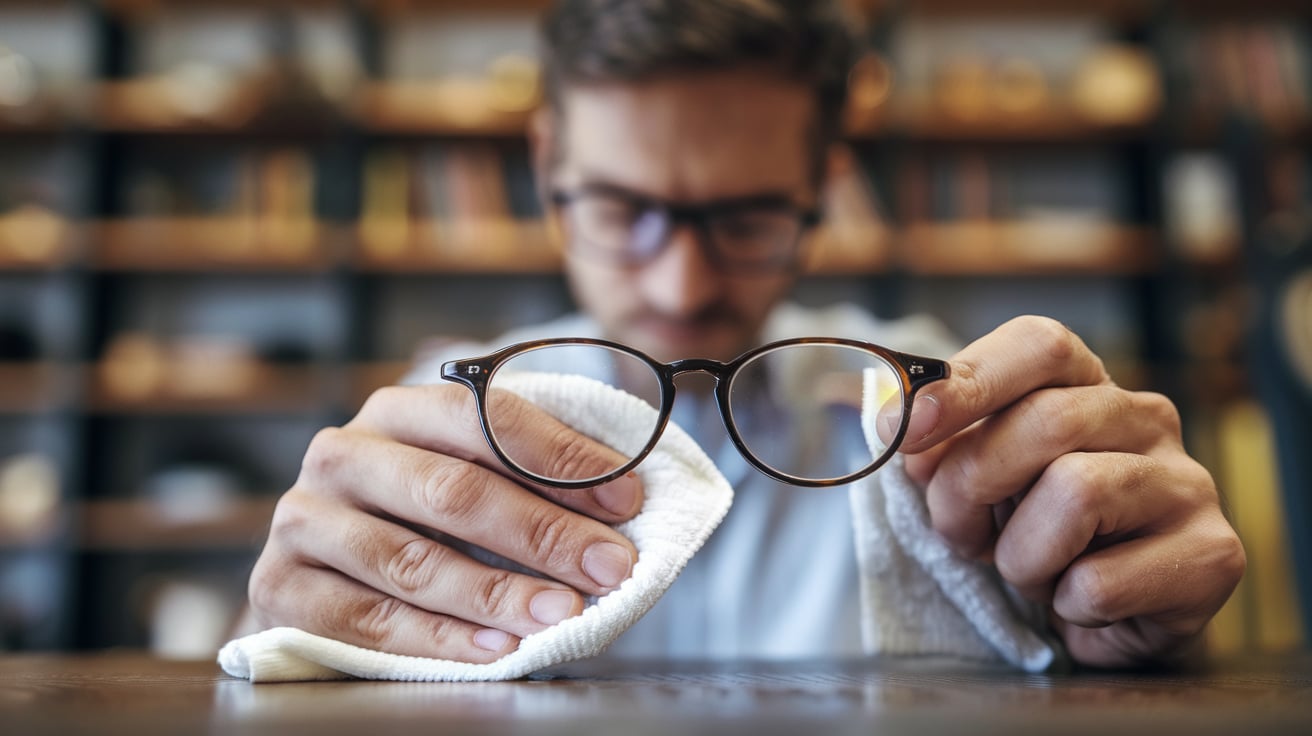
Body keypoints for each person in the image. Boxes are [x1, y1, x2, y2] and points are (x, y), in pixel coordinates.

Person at [241, 0, 1245, 669]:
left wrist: (1133, 619)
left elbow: (1078, 647)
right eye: (624, 209)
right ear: (549, 171)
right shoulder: (446, 425)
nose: (681, 284)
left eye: (747, 217)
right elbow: (308, 664)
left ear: (823, 188)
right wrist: (278, 641)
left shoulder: (935, 424)